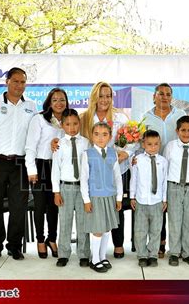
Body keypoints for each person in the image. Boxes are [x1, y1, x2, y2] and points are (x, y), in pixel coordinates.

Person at [0, 67, 36, 262]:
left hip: (20, 164)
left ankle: (14, 246)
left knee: (18, 207)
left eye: (23, 82)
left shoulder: (31, 106)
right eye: (16, 81)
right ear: (7, 82)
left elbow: (35, 136)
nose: (19, 86)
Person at [79, 81, 129, 259]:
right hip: (92, 172)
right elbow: (75, 138)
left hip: (115, 169)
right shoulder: (84, 117)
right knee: (93, 210)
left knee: (116, 207)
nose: (105, 99)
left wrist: (126, 153)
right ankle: (93, 253)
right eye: (101, 95)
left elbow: (131, 141)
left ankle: (118, 244)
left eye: (108, 96)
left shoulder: (120, 118)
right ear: (94, 97)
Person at [142, 83, 186, 257]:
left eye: (168, 94)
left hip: (176, 170)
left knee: (174, 209)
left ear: (171, 97)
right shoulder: (146, 118)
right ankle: (159, 243)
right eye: (161, 94)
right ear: (154, 96)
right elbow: (141, 142)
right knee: (157, 208)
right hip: (155, 169)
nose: (164, 97)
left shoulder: (181, 115)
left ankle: (178, 244)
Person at [25, 88, 68, 258]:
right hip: (41, 166)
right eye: (55, 100)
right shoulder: (39, 119)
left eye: (62, 100)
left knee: (54, 206)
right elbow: (30, 146)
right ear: (50, 102)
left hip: (59, 168)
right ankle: (40, 240)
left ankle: (52, 239)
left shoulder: (68, 120)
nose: (59, 103)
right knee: (40, 206)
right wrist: (31, 170)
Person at [80, 122, 122, 273]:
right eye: (96, 134)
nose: (100, 137)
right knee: (97, 229)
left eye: (104, 134)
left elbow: (117, 176)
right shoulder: (87, 154)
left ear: (110, 137)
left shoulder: (113, 153)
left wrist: (118, 198)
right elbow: (84, 179)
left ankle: (103, 256)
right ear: (92, 136)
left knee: (106, 229)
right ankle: (95, 259)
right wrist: (86, 200)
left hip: (110, 196)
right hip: (96, 197)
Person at [164, 115, 189, 266]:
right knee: (174, 220)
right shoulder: (170, 147)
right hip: (174, 186)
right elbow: (165, 167)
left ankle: (188, 253)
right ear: (177, 131)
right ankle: (174, 253)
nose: (186, 133)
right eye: (183, 130)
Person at [52, 109, 90, 267]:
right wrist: (56, 192)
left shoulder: (86, 143)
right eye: (68, 124)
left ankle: (83, 254)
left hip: (82, 187)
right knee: (65, 221)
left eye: (75, 123)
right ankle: (63, 254)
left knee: (83, 222)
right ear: (62, 125)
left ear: (79, 124)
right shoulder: (59, 145)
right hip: (66, 187)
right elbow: (56, 169)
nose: (72, 127)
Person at [130, 129, 168, 267]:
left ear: (160, 144)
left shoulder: (163, 161)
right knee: (140, 230)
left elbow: (164, 182)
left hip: (157, 202)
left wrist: (164, 199)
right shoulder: (137, 160)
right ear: (143, 144)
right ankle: (142, 255)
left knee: (156, 230)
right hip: (141, 201)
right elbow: (133, 180)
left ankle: (153, 255)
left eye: (156, 144)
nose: (153, 147)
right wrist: (132, 197)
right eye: (149, 144)